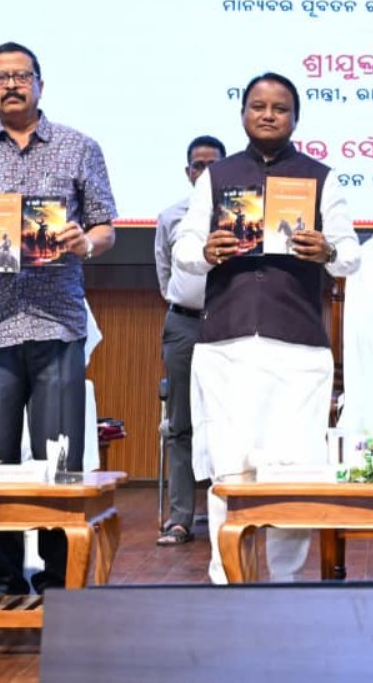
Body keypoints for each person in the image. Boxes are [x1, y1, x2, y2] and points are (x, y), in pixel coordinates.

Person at [0, 42, 117, 596]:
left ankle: (62, 576)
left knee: (59, 459)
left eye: (21, 75)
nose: (11, 85)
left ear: (39, 82)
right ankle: (4, 578)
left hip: (56, 322)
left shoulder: (80, 148)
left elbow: (107, 228)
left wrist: (86, 240)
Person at [174, 74, 359, 584]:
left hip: (297, 344)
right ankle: (227, 576)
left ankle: (285, 582)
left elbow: (352, 255)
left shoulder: (323, 177)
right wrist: (205, 251)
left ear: (295, 117)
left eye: (280, 107)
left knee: (293, 469)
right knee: (229, 468)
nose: (269, 114)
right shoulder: (217, 177)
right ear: (243, 115)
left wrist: (328, 251)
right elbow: (183, 250)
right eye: (259, 106)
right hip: (226, 343)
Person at [152, 133, 225, 547]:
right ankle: (181, 517)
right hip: (183, 324)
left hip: (228, 324)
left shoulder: (240, 214)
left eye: (213, 165)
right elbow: (165, 274)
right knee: (180, 424)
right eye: (198, 165)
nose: (205, 172)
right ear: (188, 171)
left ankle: (227, 514)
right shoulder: (169, 217)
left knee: (227, 422)